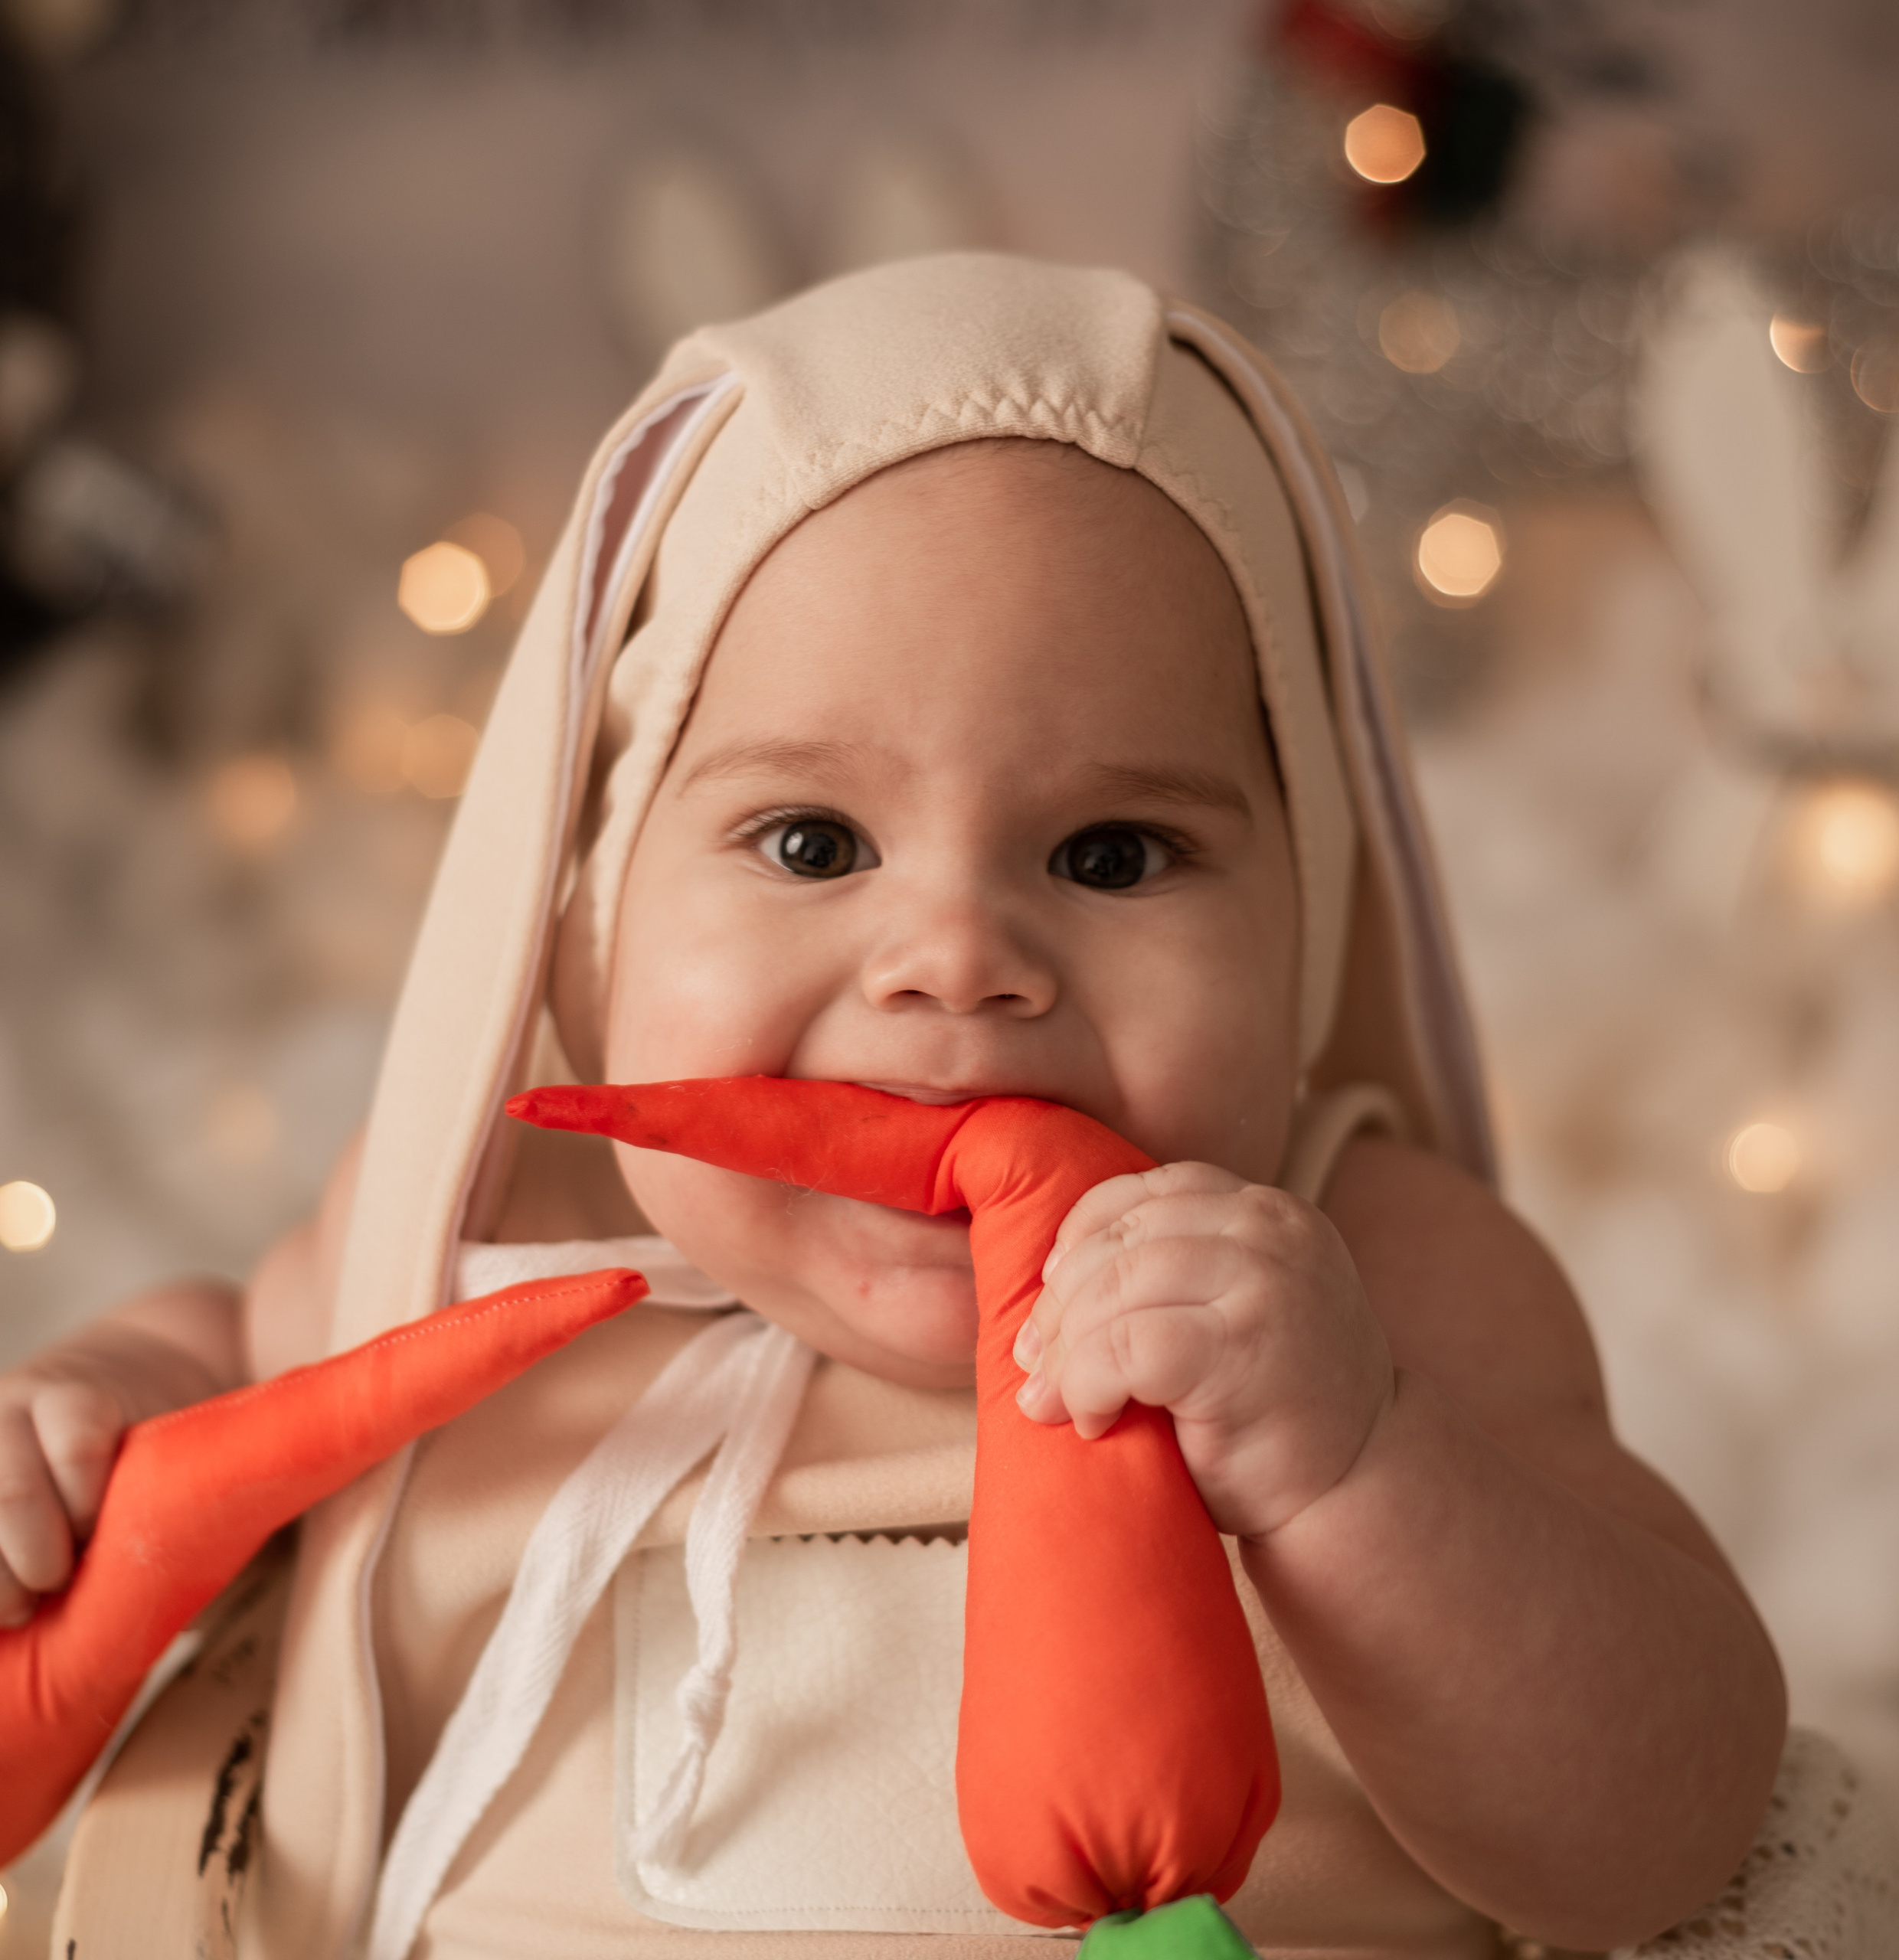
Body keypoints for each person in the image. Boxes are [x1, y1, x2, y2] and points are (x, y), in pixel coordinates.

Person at [4, 255, 1785, 1959]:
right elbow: (232, 1358)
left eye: (1112, 853)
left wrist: (1356, 1461)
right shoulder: (486, 1221)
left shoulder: (1365, 1266)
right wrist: (102, 1407)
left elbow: (1660, 1823)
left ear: (1299, 922)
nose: (957, 960)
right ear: (590, 913)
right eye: (810, 841)